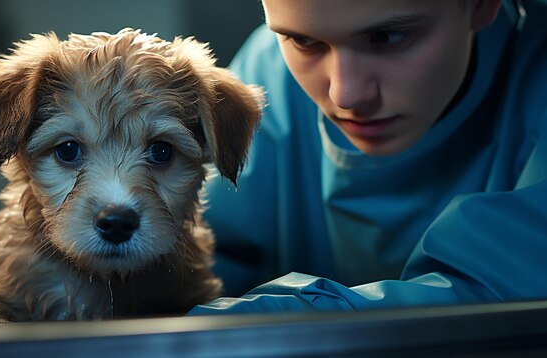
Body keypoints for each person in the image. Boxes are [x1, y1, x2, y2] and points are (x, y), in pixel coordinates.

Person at [189, 0, 547, 315]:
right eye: (303, 41)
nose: (345, 94)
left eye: (389, 36)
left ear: (482, 4)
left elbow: (503, 302)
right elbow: (202, 265)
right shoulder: (266, 74)